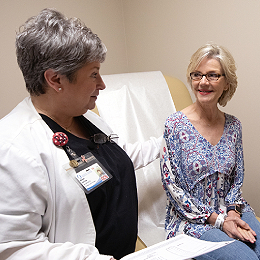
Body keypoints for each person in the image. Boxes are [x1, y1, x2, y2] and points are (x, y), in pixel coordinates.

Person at [0, 8, 161, 260]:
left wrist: (167, 142)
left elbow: (117, 157)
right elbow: (14, 248)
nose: (102, 84)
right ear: (55, 80)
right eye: (94, 74)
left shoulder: (83, 117)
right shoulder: (12, 147)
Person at [160, 43, 260, 259]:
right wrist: (220, 221)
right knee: (247, 258)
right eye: (197, 75)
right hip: (193, 220)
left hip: (232, 211)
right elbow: (173, 188)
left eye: (213, 75)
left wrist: (232, 212)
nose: (203, 82)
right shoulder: (175, 125)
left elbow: (237, 179)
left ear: (226, 83)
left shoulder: (234, 126)